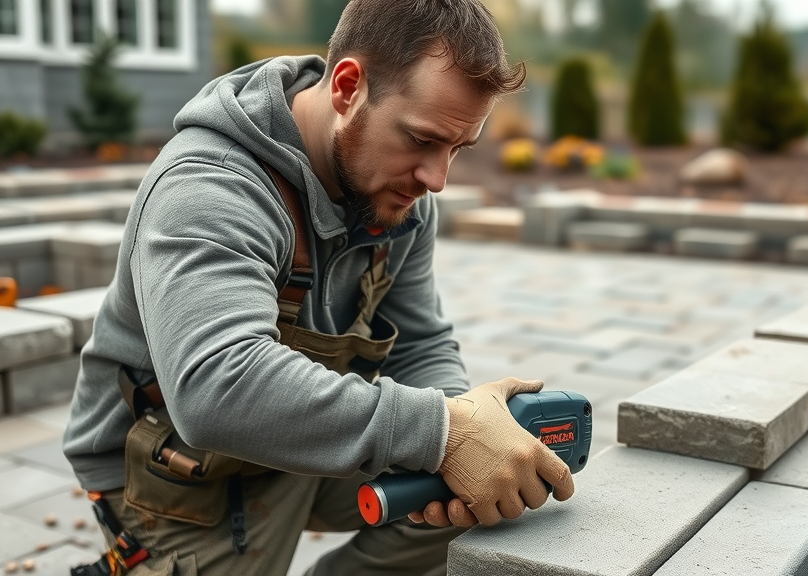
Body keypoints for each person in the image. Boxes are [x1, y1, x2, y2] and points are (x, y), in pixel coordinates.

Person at [61, 1, 574, 574]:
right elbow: (217, 386)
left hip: (306, 430)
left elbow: (420, 345)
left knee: (490, 494)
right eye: (423, 140)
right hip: (177, 471)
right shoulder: (209, 187)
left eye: (458, 148)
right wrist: (443, 431)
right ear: (348, 87)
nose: (437, 179)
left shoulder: (399, 198)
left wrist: (466, 432)